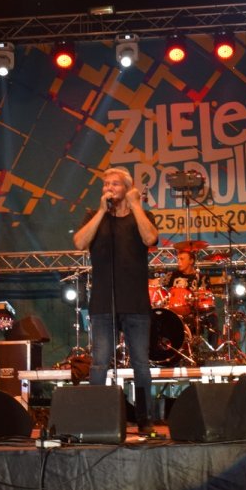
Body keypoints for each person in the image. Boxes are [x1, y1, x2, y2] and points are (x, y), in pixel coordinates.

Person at [73, 166, 160, 433]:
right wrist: (101, 211)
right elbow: (79, 243)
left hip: (135, 303)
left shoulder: (141, 216)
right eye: (105, 184)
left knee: (140, 364)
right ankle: (95, 419)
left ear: (127, 188)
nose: (108, 188)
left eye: (115, 184)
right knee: (100, 362)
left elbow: (150, 237)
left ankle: (145, 419)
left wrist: (136, 205)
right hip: (103, 303)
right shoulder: (94, 216)